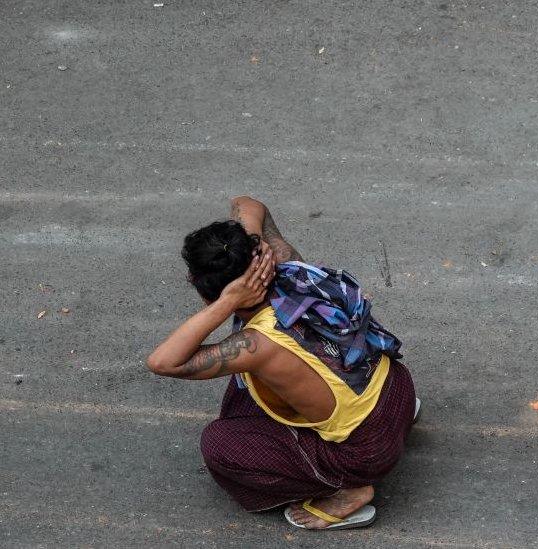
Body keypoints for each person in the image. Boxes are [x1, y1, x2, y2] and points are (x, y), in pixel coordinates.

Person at [146, 196, 418, 531]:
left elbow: (163, 362)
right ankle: (397, 421)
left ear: (206, 292)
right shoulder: (291, 268)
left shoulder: (257, 345)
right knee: (246, 388)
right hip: (397, 390)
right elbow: (247, 203)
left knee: (219, 444)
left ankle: (350, 491)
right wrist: (254, 245)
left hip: (369, 451)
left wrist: (227, 302)